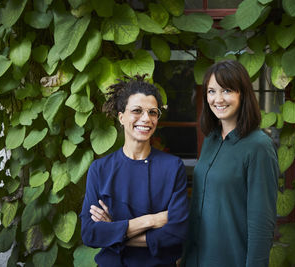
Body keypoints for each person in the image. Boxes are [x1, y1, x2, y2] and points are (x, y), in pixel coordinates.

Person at [80, 75, 189, 267]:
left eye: (153, 112)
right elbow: (90, 233)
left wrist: (114, 232)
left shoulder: (173, 167)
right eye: (137, 111)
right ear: (121, 117)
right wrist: (151, 220)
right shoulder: (100, 170)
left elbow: (177, 233)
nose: (146, 119)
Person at [182, 60, 279, 267]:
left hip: (231, 259)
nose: (217, 99)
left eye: (226, 90)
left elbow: (262, 223)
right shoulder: (211, 140)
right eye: (211, 91)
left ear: (242, 94)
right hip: (196, 259)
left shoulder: (259, 146)